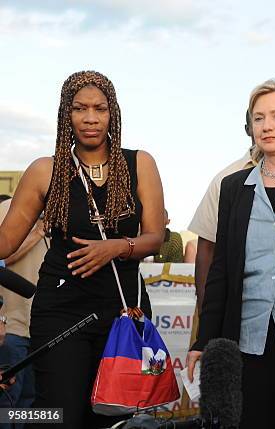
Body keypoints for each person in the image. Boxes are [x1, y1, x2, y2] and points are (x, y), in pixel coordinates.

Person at [0, 71, 165, 428]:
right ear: (65, 114)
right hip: (61, 312)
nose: (90, 118)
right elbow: (5, 243)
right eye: (79, 108)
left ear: (113, 113)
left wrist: (117, 247)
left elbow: (156, 236)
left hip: (123, 311)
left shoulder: (140, 164)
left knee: (112, 417)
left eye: (100, 108)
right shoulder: (46, 171)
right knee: (58, 415)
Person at [187, 79, 275, 429]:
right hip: (247, 340)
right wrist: (205, 341)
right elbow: (221, 271)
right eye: (258, 118)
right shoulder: (233, 188)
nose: (267, 126)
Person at [188, 110, 256, 311]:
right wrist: (204, 309)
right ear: (247, 129)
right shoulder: (226, 179)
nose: (266, 126)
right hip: (233, 305)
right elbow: (206, 248)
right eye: (258, 118)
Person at [0, 199, 48, 429]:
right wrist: (38, 232)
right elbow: (2, 259)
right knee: (7, 402)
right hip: (12, 326)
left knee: (32, 403)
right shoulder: (7, 210)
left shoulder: (68, 212)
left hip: (44, 329)